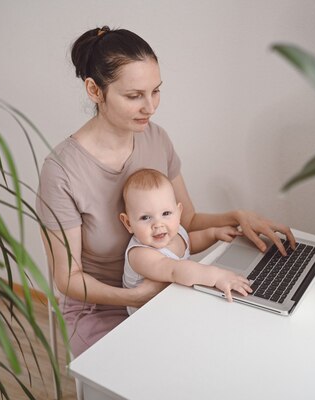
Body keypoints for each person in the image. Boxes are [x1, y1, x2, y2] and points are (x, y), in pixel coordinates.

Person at [36, 25, 296, 356]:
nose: (150, 107)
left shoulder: (156, 139)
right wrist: (134, 297)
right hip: (102, 308)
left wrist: (236, 217)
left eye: (155, 91)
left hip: (163, 290)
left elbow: (186, 219)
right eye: (134, 96)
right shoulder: (61, 171)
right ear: (94, 90)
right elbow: (68, 278)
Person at [120, 168, 252, 315]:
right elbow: (175, 270)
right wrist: (218, 276)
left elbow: (190, 243)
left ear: (178, 212)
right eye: (145, 217)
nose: (158, 224)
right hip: (148, 316)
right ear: (128, 223)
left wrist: (213, 234)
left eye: (166, 213)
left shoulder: (176, 232)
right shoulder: (140, 254)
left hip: (176, 300)